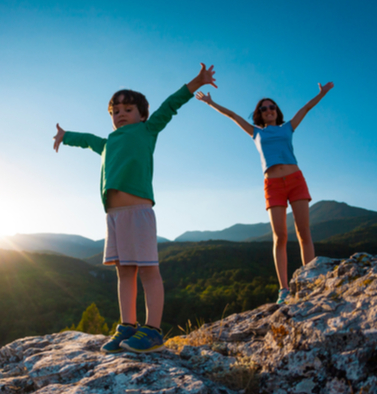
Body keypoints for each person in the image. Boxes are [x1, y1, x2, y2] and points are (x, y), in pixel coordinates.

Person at [53, 63, 217, 353]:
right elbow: (89, 140)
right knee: (124, 272)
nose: (120, 114)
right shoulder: (108, 143)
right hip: (114, 217)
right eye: (115, 111)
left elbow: (170, 105)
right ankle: (128, 326)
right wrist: (65, 136)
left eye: (128, 109)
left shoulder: (147, 130)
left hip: (139, 214)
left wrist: (197, 82)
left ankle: (152, 330)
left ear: (142, 115)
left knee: (149, 271)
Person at [195, 81, 333, 304]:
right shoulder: (255, 132)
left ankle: (309, 281)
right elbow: (232, 115)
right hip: (273, 185)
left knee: (303, 232)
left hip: (296, 180)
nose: (269, 110)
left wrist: (322, 94)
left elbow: (306, 108)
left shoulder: (288, 127)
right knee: (280, 237)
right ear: (259, 114)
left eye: (272, 107)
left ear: (277, 111)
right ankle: (284, 289)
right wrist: (211, 103)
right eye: (264, 108)